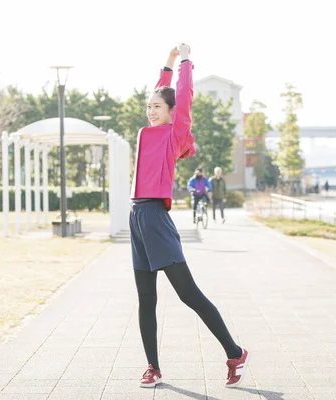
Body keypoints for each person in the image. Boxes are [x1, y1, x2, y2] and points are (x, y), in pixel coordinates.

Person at [128, 44, 249, 389]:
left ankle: (234, 352)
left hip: (155, 216)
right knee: (145, 298)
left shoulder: (174, 132)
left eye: (157, 107)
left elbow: (184, 95)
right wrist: (165, 63)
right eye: (148, 106)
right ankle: (153, 366)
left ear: (170, 111)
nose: (151, 112)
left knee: (188, 294)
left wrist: (184, 62)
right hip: (137, 216)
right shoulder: (146, 131)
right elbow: (162, 88)